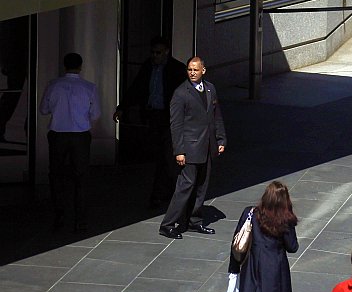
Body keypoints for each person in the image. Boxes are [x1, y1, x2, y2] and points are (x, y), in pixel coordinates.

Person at [113, 36, 185, 208]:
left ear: (166, 52)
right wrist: (123, 107)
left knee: (167, 157)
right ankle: (163, 192)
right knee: (159, 155)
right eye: (153, 53)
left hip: (170, 118)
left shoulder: (176, 69)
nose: (155, 56)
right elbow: (137, 88)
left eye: (158, 53)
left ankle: (163, 193)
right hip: (154, 116)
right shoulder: (148, 67)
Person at [158, 56, 226, 239]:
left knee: (202, 186)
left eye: (196, 70)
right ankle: (168, 224)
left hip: (208, 146)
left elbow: (216, 116)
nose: (192, 73)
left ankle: (194, 221)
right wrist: (179, 150)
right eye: (189, 70)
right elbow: (176, 125)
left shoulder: (211, 88)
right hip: (190, 148)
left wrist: (220, 140)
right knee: (185, 185)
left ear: (203, 70)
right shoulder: (181, 93)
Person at [229, 181, 299, 292]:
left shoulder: (251, 212)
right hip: (273, 270)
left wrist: (234, 268)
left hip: (253, 266)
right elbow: (292, 246)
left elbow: (236, 240)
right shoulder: (284, 218)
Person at [39, 52, 101, 232]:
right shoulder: (89, 87)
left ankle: (59, 214)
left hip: (58, 134)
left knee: (56, 175)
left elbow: (44, 109)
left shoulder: (53, 85)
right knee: (81, 177)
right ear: (80, 66)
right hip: (80, 135)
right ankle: (80, 218)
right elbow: (95, 114)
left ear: (64, 66)